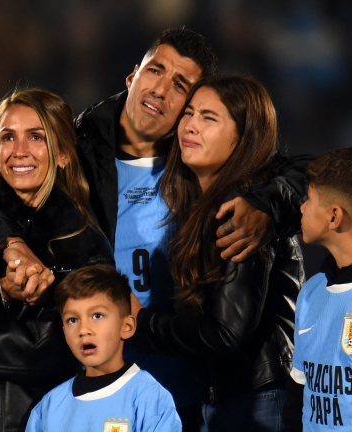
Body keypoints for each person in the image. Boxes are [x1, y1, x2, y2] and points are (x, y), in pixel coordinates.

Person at [0, 28, 311, 429]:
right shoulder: (79, 149)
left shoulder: (206, 165)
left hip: (194, 394)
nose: (160, 89)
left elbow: (310, 175)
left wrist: (267, 203)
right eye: (155, 70)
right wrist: (12, 244)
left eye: (180, 85)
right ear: (132, 76)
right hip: (97, 395)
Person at [130, 74, 303, 432]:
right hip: (228, 401)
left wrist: (140, 326)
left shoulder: (240, 208)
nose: (190, 126)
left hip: (256, 403)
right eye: (189, 113)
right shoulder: (200, 202)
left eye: (209, 118)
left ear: (243, 138)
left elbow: (226, 333)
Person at [0, 88, 113, 431]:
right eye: (7, 137)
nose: (19, 151)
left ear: (63, 154)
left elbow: (47, 348)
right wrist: (1, 291)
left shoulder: (84, 242)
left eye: (36, 137)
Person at [26, 264, 181, 432]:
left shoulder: (150, 397)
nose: (84, 330)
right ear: (65, 333)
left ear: (127, 326)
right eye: (72, 320)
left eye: (97, 316)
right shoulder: (49, 406)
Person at [282, 147, 352, 432]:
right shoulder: (312, 290)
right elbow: (299, 393)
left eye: (309, 199)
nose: (302, 207)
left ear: (335, 217)